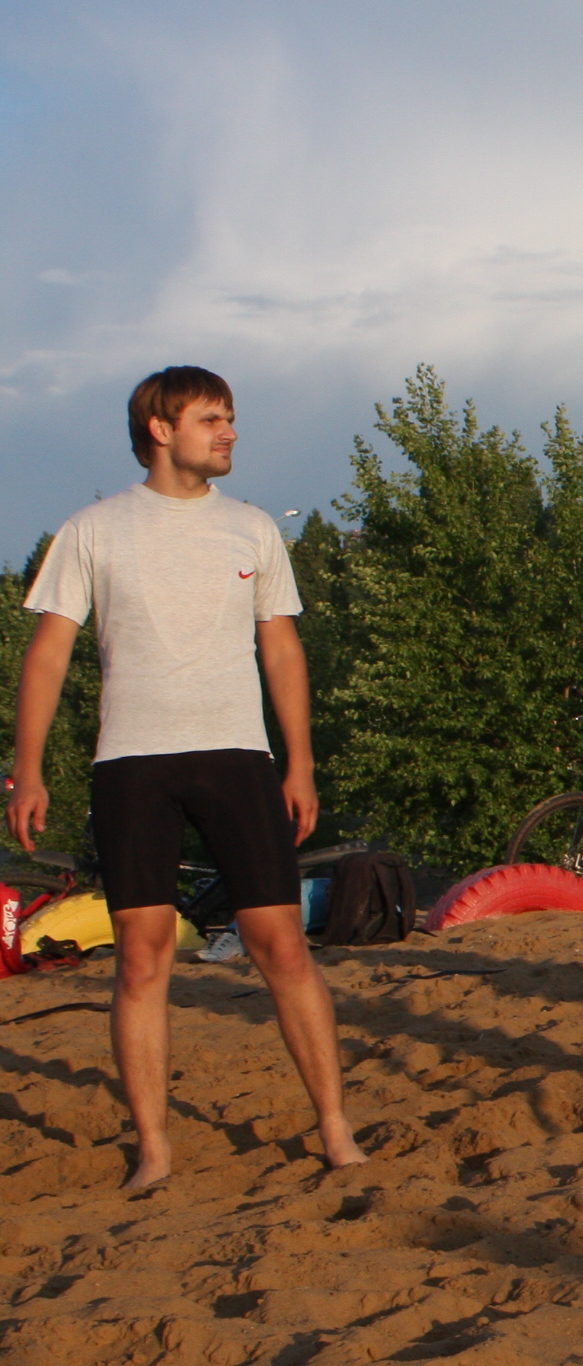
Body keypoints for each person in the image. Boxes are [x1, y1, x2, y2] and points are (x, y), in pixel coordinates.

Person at [9, 366, 365, 1189]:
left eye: (230, 417)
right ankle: (154, 1149)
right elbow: (49, 653)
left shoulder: (252, 529)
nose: (230, 431)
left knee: (282, 946)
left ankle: (336, 1128)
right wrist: (27, 769)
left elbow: (282, 649)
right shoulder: (93, 530)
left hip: (237, 758)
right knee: (141, 958)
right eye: (212, 418)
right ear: (161, 429)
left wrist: (301, 762)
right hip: (131, 764)